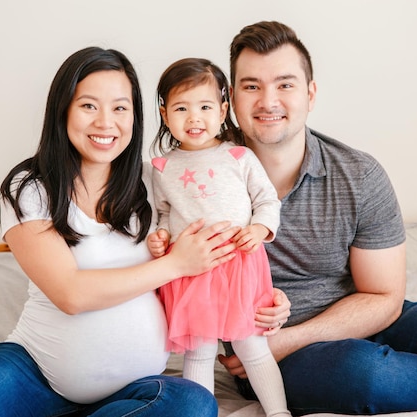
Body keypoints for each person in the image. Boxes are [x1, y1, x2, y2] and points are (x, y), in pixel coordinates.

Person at [0, 47, 242, 417]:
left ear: (136, 117)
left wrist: (264, 301)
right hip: (36, 373)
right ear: (63, 110)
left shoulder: (155, 180)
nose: (105, 123)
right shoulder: (29, 188)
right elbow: (70, 293)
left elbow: (217, 245)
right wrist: (175, 265)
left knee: (194, 404)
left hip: (135, 389)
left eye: (120, 108)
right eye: (89, 106)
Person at [217, 20, 417, 415]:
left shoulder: (358, 175)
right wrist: (273, 346)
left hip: (358, 320)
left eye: (285, 84)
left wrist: (290, 338)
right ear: (231, 99)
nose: (268, 100)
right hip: (268, 360)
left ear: (310, 94)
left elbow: (384, 298)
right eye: (251, 85)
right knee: (371, 376)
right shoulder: (204, 180)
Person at [148, 57, 291, 417]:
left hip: (239, 265)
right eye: (181, 108)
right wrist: (160, 235)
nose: (194, 118)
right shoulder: (162, 167)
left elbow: (266, 201)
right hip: (193, 271)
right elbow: (163, 213)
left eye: (205, 107)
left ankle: (278, 412)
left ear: (223, 109)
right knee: (200, 351)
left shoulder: (239, 156)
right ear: (165, 115)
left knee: (252, 346)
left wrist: (259, 229)